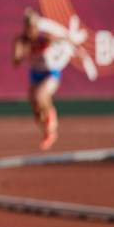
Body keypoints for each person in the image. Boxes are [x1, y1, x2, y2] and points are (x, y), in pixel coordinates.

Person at [11, 10, 70, 151]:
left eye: (33, 27)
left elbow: (65, 40)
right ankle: (48, 132)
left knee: (40, 96)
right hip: (35, 74)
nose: (31, 31)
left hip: (51, 73)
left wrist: (80, 52)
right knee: (35, 108)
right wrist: (22, 54)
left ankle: (51, 117)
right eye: (28, 27)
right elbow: (16, 63)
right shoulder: (20, 41)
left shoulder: (44, 38)